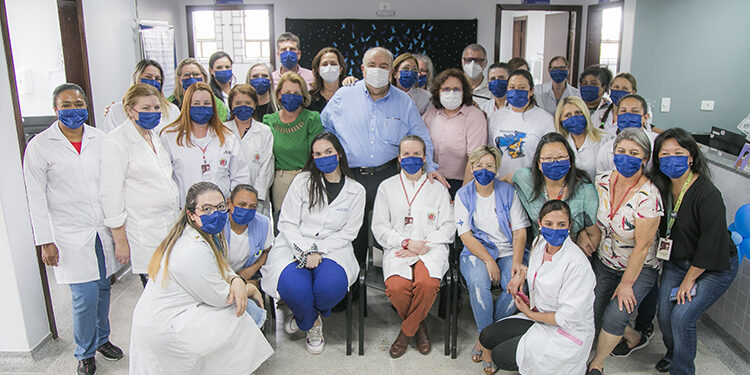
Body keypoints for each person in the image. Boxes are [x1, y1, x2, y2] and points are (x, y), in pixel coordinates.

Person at [23, 83, 123, 375]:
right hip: (68, 234)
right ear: (55, 109)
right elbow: (35, 196)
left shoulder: (100, 138)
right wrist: (45, 240)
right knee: (84, 296)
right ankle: (85, 352)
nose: (73, 110)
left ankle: (103, 339)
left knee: (104, 286)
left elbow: (111, 182)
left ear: (87, 106)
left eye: (78, 104)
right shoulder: (40, 146)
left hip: (101, 228)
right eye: (66, 105)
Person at [130, 181, 273, 374]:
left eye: (220, 207)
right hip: (165, 328)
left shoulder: (201, 234)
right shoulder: (193, 249)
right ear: (191, 214)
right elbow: (222, 298)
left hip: (174, 313)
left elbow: (222, 268)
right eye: (207, 209)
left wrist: (236, 280)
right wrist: (248, 287)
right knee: (246, 312)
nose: (215, 213)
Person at [321, 46, 446, 266]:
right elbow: (324, 128)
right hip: (351, 175)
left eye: (383, 66)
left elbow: (421, 137)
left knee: (392, 229)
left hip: (387, 175)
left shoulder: (403, 102)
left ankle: (394, 279)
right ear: (362, 69)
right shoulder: (343, 96)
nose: (377, 70)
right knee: (352, 232)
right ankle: (352, 285)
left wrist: (431, 168)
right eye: (371, 65)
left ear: (391, 72)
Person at [261, 132, 366, 354]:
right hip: (294, 245)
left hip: (334, 248)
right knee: (295, 289)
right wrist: (307, 251)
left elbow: (350, 232)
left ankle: (303, 317)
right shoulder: (303, 181)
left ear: (339, 153)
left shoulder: (356, 191)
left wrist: (318, 250)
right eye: (317, 154)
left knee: (329, 289)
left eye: (328, 152)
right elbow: (287, 223)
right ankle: (312, 323)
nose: (323, 157)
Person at [651, 128, 738, 374]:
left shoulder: (707, 193)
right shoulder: (660, 186)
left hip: (714, 265)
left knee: (682, 315)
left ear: (691, 156)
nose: (671, 158)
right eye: (664, 153)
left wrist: (690, 279)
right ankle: (673, 352)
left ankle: (682, 369)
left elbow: (711, 244)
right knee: (665, 314)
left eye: (678, 153)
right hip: (677, 261)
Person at [480, 200, 596, 375]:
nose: (555, 229)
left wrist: (529, 313)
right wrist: (521, 274)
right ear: (540, 224)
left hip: (566, 331)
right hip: (540, 317)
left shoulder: (578, 265)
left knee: (500, 356)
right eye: (549, 224)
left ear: (569, 226)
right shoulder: (540, 242)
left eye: (561, 224)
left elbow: (566, 318)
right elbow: (540, 271)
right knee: (487, 337)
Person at [587, 128, 663, 375]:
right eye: (620, 151)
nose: (626, 157)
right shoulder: (601, 181)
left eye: (633, 153)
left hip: (639, 268)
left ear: (644, 158)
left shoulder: (649, 196)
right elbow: (596, 223)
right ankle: (633, 335)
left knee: (615, 316)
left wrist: (627, 284)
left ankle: (597, 363)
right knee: (592, 311)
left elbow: (642, 247)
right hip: (605, 261)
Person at [371, 135, 455, 358]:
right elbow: (379, 226)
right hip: (399, 247)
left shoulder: (437, 188)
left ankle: (406, 332)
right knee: (397, 288)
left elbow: (448, 226)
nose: (411, 158)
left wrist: (422, 245)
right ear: (399, 158)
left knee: (427, 285)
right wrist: (405, 242)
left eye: (417, 153)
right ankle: (420, 326)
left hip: (431, 248)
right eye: (406, 154)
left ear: (425, 157)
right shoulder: (386, 187)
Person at [455, 146, 530, 374]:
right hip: (477, 252)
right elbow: (465, 234)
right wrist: (488, 260)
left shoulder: (508, 191)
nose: (484, 170)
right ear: (472, 167)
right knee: (479, 287)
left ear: (497, 168)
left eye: (489, 166)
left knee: (515, 288)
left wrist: (516, 264)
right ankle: (488, 344)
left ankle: (484, 338)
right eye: (478, 165)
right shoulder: (463, 195)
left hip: (509, 252)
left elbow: (520, 232)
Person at [100, 83, 180, 287]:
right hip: (144, 230)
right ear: (129, 110)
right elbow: (111, 195)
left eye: (156, 108)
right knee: (155, 289)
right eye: (145, 108)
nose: (152, 112)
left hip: (167, 225)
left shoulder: (152, 136)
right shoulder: (116, 142)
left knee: (170, 286)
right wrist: (120, 241)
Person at [160, 82, 249, 203]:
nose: (202, 107)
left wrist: (233, 203)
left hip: (220, 211)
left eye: (207, 103)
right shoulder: (170, 138)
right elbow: (164, 179)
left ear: (213, 106)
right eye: (196, 104)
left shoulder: (228, 137)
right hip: (185, 210)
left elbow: (240, 176)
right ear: (187, 106)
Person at [513, 132, 601, 254]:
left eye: (561, 157)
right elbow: (506, 180)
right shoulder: (525, 179)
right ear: (539, 163)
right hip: (538, 252)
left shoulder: (586, 191)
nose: (555, 163)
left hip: (572, 255)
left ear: (570, 161)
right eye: (548, 159)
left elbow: (594, 234)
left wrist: (579, 256)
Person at [263, 71, 324, 211]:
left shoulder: (312, 118)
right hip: (280, 180)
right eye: (287, 92)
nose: (291, 96)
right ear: (279, 94)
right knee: (282, 224)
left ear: (303, 96)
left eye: (296, 93)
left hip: (308, 177)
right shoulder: (268, 121)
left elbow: (316, 153)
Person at [423, 68, 487, 197]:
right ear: (438, 92)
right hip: (431, 180)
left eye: (456, 89)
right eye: (446, 89)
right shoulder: (431, 113)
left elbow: (475, 157)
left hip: (460, 183)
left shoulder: (474, 115)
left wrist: (463, 193)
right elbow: (420, 144)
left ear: (464, 92)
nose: (451, 93)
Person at [487, 69, 555, 181]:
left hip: (531, 184)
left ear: (531, 91)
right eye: (512, 87)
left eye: (522, 88)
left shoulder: (545, 119)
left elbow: (549, 157)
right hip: (500, 183)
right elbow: (490, 152)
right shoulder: (495, 117)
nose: (516, 91)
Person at [224, 84, 274, 215]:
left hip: (256, 200)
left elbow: (266, 166)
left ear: (255, 105)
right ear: (231, 106)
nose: (243, 106)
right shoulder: (222, 130)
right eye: (238, 103)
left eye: (247, 103)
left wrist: (255, 196)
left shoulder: (264, 131)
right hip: (228, 199)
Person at [100, 59, 180, 134]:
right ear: (136, 78)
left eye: (157, 78)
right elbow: (110, 141)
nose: (153, 81)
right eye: (148, 77)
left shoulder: (172, 110)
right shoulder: (116, 111)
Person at [224, 184, 273, 287]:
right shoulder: (218, 226)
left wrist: (252, 269)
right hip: (221, 279)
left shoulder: (263, 224)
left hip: (247, 278)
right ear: (229, 203)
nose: (247, 210)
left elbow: (267, 251)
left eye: (252, 207)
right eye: (242, 205)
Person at [597, 94, 658, 174]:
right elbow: (601, 181)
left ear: (645, 117)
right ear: (617, 117)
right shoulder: (606, 150)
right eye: (623, 111)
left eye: (635, 111)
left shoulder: (657, 142)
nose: (628, 116)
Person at [554, 96, 608, 179]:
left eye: (578, 112)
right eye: (568, 115)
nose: (574, 118)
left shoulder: (604, 139)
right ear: (560, 120)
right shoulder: (560, 144)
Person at [309, 47, 347, 113]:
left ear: (341, 69)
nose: (329, 67)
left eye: (333, 64)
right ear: (318, 70)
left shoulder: (348, 94)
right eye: (324, 64)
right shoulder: (310, 99)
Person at [579, 65, 614, 132]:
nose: (588, 87)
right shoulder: (574, 107)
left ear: (603, 87)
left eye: (594, 84)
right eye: (584, 84)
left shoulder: (609, 111)